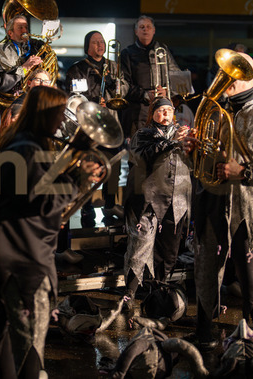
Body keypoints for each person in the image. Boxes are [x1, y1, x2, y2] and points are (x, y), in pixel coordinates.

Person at [0, 85, 85, 378]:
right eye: (60, 113)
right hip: (25, 259)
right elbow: (41, 200)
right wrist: (76, 179)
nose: (63, 120)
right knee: (30, 339)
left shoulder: (14, 142)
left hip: (1, 253)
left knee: (2, 328)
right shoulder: (30, 150)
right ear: (45, 114)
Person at [192, 52, 253, 348]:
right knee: (206, 271)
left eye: (233, 73)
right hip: (211, 203)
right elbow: (201, 164)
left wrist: (244, 171)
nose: (225, 79)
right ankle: (204, 335)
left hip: (248, 208)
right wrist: (192, 153)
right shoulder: (215, 112)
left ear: (249, 77)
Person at [122, 97, 192, 310]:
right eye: (160, 111)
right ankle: (129, 294)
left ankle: (158, 292)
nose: (165, 114)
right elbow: (144, 156)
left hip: (177, 201)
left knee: (168, 251)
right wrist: (174, 142)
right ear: (152, 113)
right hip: (147, 201)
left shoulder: (183, 134)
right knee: (139, 248)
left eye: (169, 110)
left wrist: (193, 145)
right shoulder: (143, 134)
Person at [65, 31, 126, 227]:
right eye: (95, 42)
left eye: (102, 41)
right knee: (87, 166)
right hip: (87, 125)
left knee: (113, 166)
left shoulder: (114, 66)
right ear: (87, 46)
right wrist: (93, 102)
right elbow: (74, 96)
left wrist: (114, 87)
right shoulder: (77, 69)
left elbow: (125, 89)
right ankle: (86, 206)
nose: (100, 45)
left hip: (110, 123)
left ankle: (110, 204)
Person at [121, 15, 182, 137]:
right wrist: (145, 95)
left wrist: (167, 91)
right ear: (136, 31)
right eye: (142, 27)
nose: (145, 29)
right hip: (137, 112)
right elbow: (124, 84)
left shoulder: (163, 50)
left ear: (154, 30)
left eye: (148, 27)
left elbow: (177, 77)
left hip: (161, 109)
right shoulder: (127, 53)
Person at [0, 14, 45, 99]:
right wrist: (24, 68)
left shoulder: (37, 46)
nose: (25, 30)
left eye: (26, 27)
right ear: (10, 33)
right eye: (20, 28)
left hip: (38, 97)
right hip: (14, 101)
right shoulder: (1, 50)